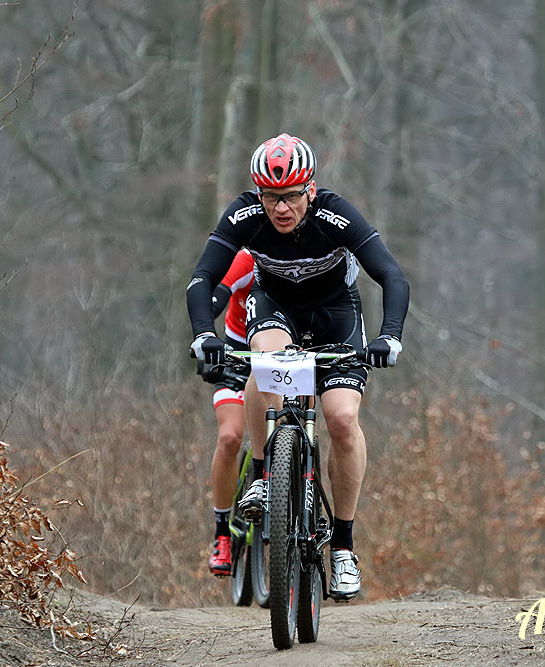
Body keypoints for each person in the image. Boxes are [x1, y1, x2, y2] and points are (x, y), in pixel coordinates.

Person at [187, 133, 410, 601]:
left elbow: (390, 274)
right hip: (276, 309)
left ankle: (344, 548)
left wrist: (391, 335)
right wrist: (204, 333)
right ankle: (267, 477)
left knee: (343, 420)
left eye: (290, 197)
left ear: (310, 190)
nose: (281, 209)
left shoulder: (336, 214)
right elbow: (204, 277)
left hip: (336, 314)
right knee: (266, 365)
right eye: (271, 198)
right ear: (259, 194)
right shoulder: (245, 213)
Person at [205, 249, 255, 576]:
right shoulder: (247, 259)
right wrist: (205, 338)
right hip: (239, 358)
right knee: (229, 437)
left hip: (288, 357)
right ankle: (222, 530)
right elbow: (212, 293)